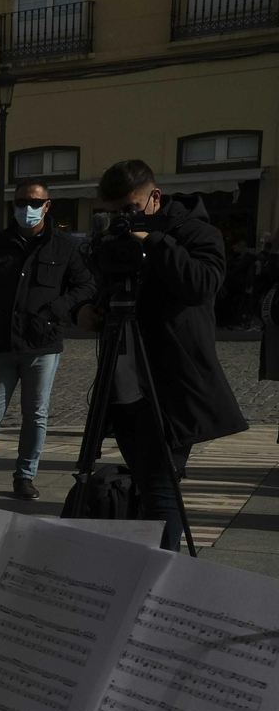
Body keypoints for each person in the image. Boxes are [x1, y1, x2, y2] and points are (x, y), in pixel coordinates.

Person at [76, 159, 246, 551]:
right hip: (123, 383)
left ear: (154, 197)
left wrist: (152, 240)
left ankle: (163, 575)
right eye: (113, 211)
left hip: (170, 384)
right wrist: (84, 311)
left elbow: (202, 285)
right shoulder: (116, 238)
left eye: (129, 208)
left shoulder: (195, 232)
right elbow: (99, 290)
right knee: (147, 484)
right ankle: (147, 562)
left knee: (160, 486)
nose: (121, 218)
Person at [0, 178, 96, 501]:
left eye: (34, 203)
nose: (27, 208)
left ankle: (25, 476)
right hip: (1, 343)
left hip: (42, 344)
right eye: (21, 202)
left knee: (36, 415)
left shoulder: (64, 245)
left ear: (47, 206)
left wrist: (57, 309)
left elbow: (86, 286)